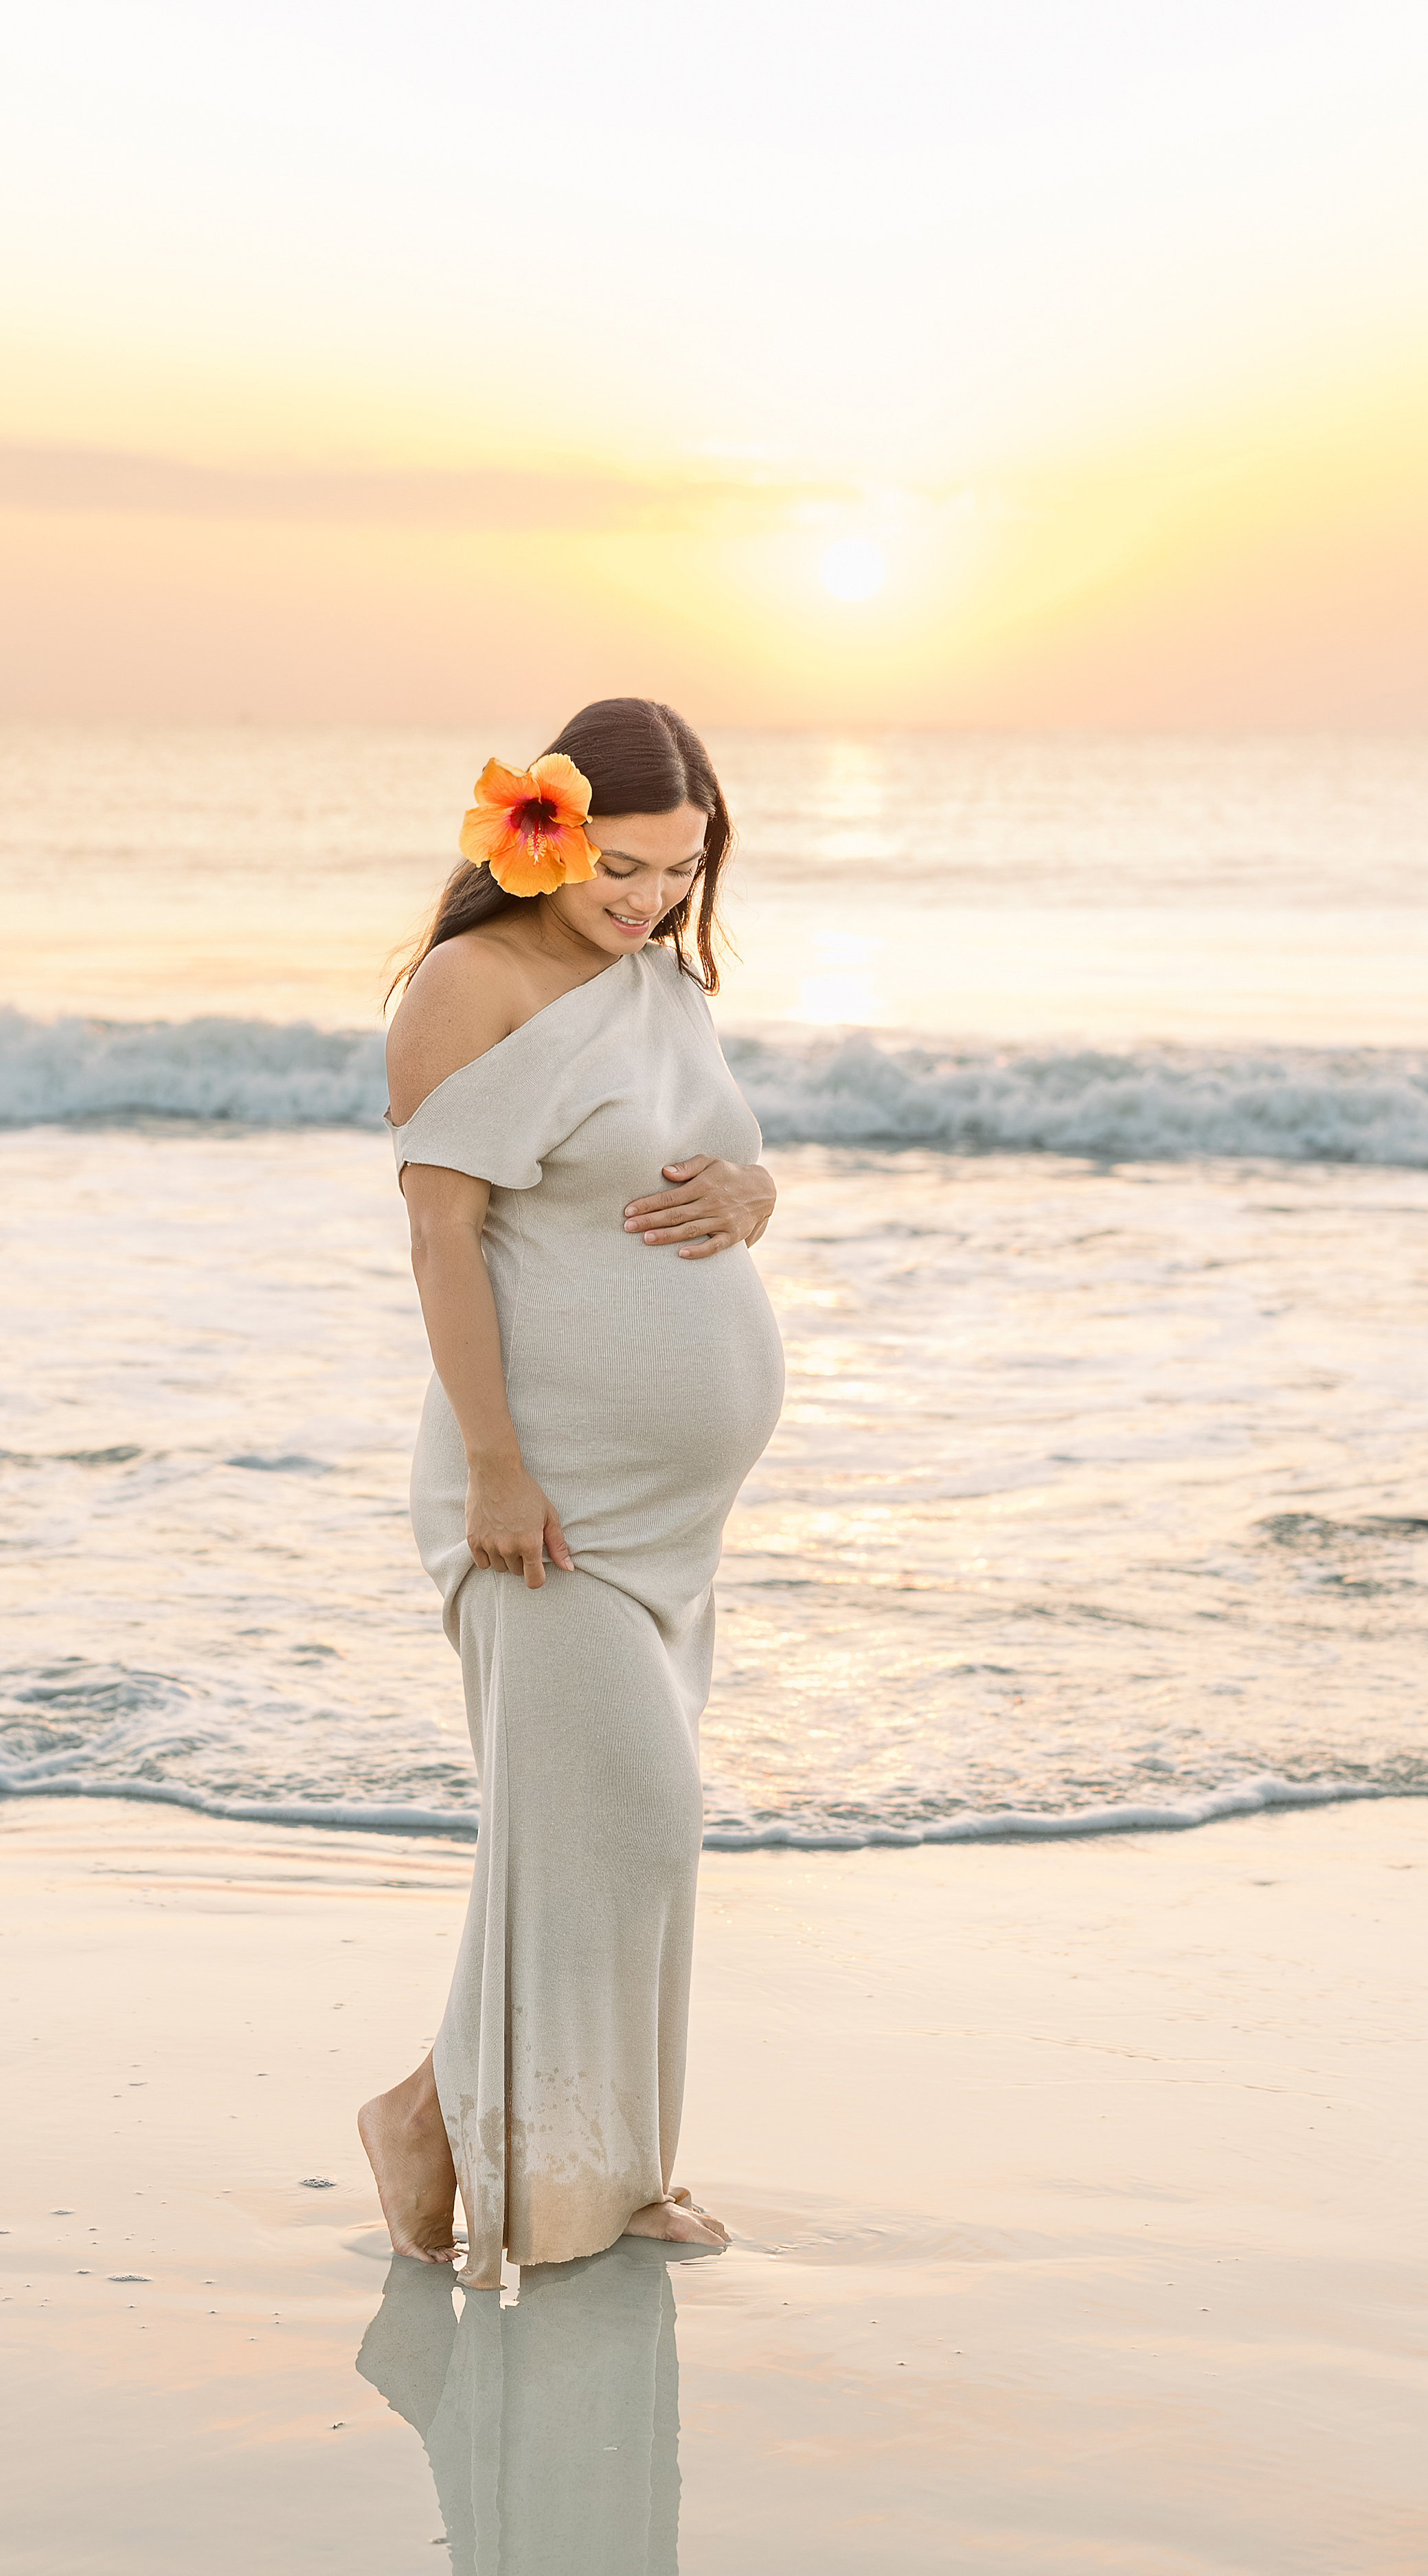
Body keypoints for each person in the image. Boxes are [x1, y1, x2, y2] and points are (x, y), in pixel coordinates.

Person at [357, 698, 782, 2287]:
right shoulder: (466, 989)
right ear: (535, 832)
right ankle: (484, 2148)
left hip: (669, 1521)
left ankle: (595, 2173)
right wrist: (494, 1470)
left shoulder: (656, 980)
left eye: (679, 871)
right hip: (544, 1501)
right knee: (627, 1826)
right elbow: (439, 1241)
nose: (650, 899)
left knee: (610, 1841)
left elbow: (721, 1165)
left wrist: (758, 1192)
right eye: (620, 866)